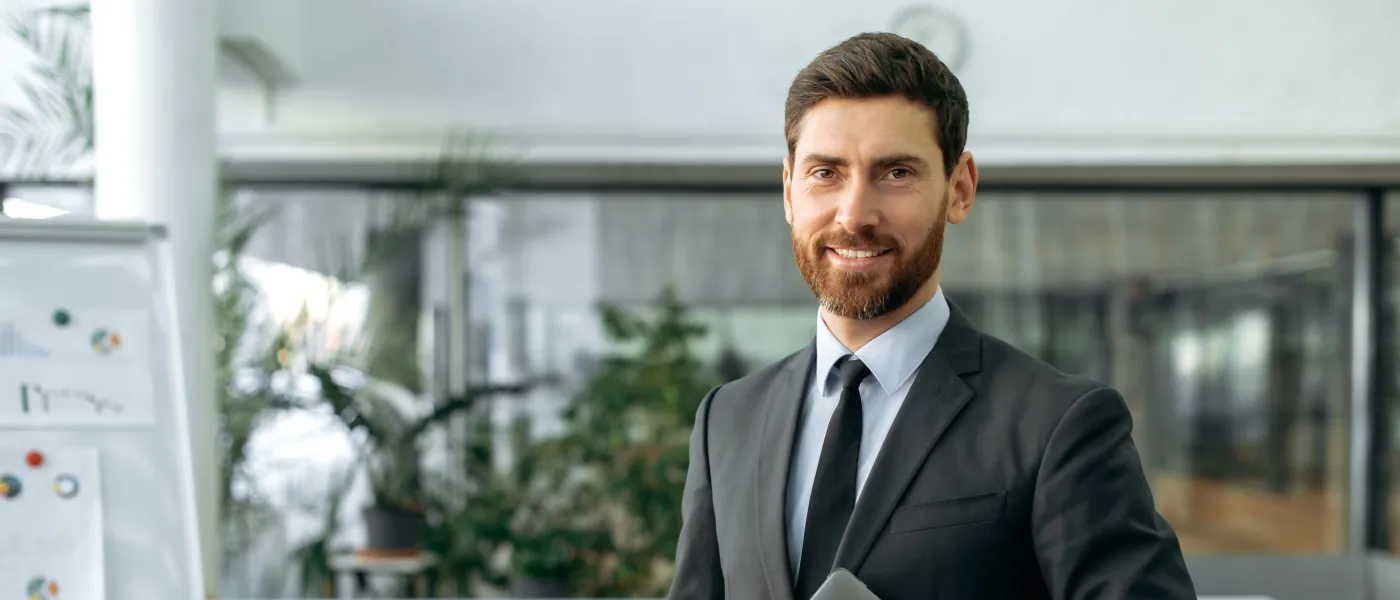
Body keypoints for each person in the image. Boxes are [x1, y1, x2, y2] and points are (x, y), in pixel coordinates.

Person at [667, 32, 1196, 600]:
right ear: (790, 192)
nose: (855, 214)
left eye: (895, 172)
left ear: (959, 189)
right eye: (826, 173)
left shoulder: (1059, 424)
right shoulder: (727, 419)